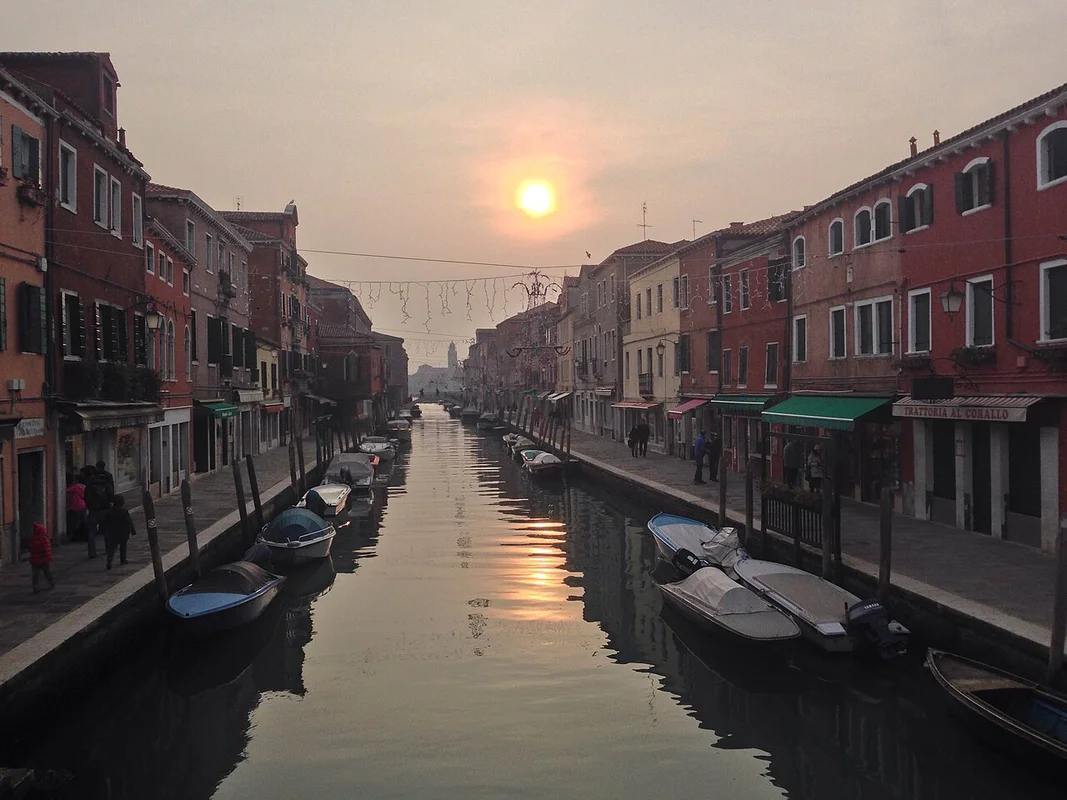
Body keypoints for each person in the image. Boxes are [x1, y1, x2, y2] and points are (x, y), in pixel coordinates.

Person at [101, 495, 135, 570]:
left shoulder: (109, 511)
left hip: (112, 533)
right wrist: (132, 531)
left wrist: (103, 530)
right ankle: (122, 560)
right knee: (123, 547)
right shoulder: (124, 511)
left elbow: (105, 522)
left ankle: (109, 561)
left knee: (112, 549)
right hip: (122, 533)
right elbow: (129, 522)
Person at [83, 465, 108, 559]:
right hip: (104, 509)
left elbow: (85, 497)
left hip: (92, 510)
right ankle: (108, 549)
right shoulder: (104, 482)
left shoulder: (88, 485)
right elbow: (110, 495)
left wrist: (89, 506)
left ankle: (92, 552)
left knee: (91, 532)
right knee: (106, 530)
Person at [29, 522, 55, 594]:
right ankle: (50, 582)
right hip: (42, 560)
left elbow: (32, 547)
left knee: (36, 575)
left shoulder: (35, 540)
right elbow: (47, 550)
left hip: (37, 560)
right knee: (46, 572)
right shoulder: (44, 540)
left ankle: (36, 586)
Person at [65, 472, 88, 542]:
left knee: (75, 522)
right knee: (84, 521)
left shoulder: (76, 486)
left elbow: (67, 490)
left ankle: (75, 536)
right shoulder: (85, 487)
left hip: (76, 506)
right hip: (84, 505)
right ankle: (85, 535)